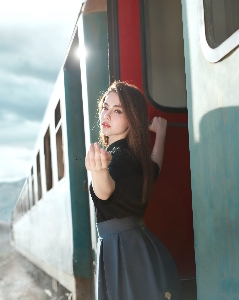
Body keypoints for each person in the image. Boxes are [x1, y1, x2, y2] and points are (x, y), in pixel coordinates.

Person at [85, 81, 182, 300]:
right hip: (144, 249)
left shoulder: (118, 158)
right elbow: (154, 168)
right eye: (105, 107)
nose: (106, 115)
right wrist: (161, 135)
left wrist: (98, 173)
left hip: (122, 254)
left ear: (133, 119)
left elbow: (106, 194)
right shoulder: (136, 157)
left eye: (117, 110)